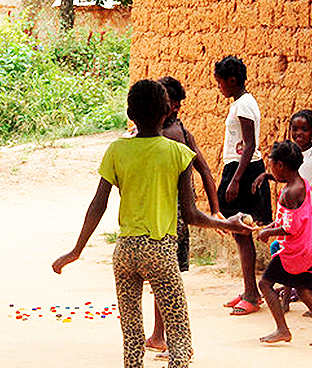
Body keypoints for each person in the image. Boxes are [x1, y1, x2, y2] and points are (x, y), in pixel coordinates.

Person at [52, 79, 254, 368]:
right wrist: (230, 223)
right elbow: (192, 215)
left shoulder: (116, 151)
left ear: (131, 115)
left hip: (124, 252)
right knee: (178, 330)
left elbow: (98, 205)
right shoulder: (178, 154)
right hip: (160, 251)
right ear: (166, 112)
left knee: (132, 336)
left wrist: (76, 250)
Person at [146, 76, 221, 356]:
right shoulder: (157, 131)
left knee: (166, 278)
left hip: (172, 216)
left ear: (175, 105)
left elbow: (205, 171)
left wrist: (215, 211)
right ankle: (158, 335)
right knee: (161, 276)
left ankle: (169, 340)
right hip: (160, 212)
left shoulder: (175, 135)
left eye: (165, 99)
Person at [254, 109, 312, 315]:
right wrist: (268, 176)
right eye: (295, 129)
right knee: (290, 252)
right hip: (300, 211)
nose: (298, 133)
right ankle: (285, 301)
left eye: (304, 129)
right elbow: (290, 177)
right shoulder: (291, 152)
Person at [213, 55, 273, 315]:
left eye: (220, 83)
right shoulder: (240, 103)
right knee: (240, 233)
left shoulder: (245, 105)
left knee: (243, 231)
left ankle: (251, 293)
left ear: (233, 80)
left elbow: (249, 145)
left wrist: (236, 179)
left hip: (245, 171)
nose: (219, 88)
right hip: (239, 168)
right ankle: (249, 289)